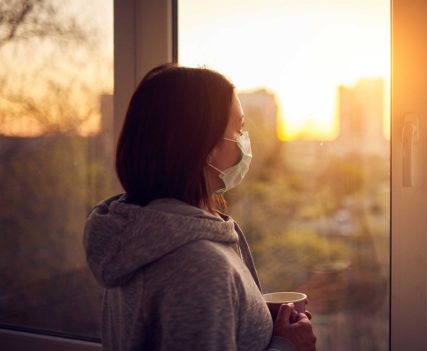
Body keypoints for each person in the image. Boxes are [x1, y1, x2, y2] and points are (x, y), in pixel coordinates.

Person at [83, 63, 317, 351]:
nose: (245, 142)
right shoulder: (201, 267)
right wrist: (288, 346)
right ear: (206, 145)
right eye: (240, 128)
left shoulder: (135, 239)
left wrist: (249, 320)